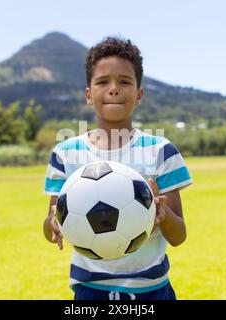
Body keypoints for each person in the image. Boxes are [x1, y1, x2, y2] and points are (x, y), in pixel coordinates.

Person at [43, 36, 193, 300]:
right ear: (89, 95)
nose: (114, 89)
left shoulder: (161, 151)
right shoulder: (65, 154)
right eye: (102, 82)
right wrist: (52, 224)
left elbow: (178, 235)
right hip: (90, 291)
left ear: (139, 94)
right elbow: (51, 223)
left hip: (153, 290)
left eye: (124, 82)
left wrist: (161, 211)